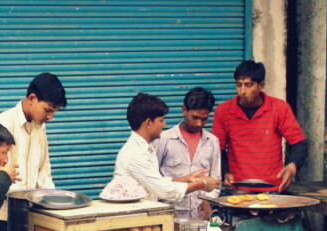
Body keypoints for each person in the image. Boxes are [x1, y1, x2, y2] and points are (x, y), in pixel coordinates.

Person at [0, 72, 67, 231]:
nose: (50, 117)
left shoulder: (40, 127)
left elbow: (43, 171)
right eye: (48, 110)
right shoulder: (3, 123)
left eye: (54, 112)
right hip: (0, 220)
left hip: (29, 217)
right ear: (32, 98)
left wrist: (54, 206)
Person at [211, 60, 308, 193]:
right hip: (237, 189)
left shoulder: (279, 108)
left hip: (272, 189)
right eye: (238, 85)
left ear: (261, 85)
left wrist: (292, 166)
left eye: (248, 85)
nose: (242, 91)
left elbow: (299, 143)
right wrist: (225, 172)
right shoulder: (223, 111)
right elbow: (217, 149)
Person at [114, 92, 220, 201]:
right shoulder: (136, 154)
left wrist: (187, 178)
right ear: (149, 123)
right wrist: (201, 184)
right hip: (137, 215)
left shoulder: (145, 150)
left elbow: (158, 181)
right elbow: (164, 190)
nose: (164, 124)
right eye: (161, 120)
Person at [157, 87, 221, 219]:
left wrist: (207, 200)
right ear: (184, 110)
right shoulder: (164, 139)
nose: (199, 123)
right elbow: (154, 179)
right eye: (195, 117)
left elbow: (216, 180)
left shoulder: (212, 141)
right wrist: (163, 209)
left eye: (204, 119)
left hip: (200, 215)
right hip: (170, 214)